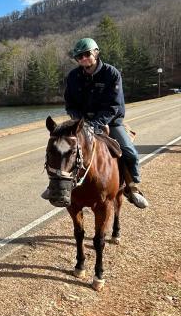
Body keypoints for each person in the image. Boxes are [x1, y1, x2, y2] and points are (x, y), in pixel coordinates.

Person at [41, 37, 149, 208]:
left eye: (86, 54)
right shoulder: (73, 76)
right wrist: (80, 121)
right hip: (81, 122)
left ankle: (132, 187)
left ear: (96, 53)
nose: (83, 59)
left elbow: (114, 106)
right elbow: (70, 104)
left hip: (110, 121)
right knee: (60, 148)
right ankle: (53, 185)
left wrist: (97, 123)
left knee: (129, 151)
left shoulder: (111, 73)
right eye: (79, 57)